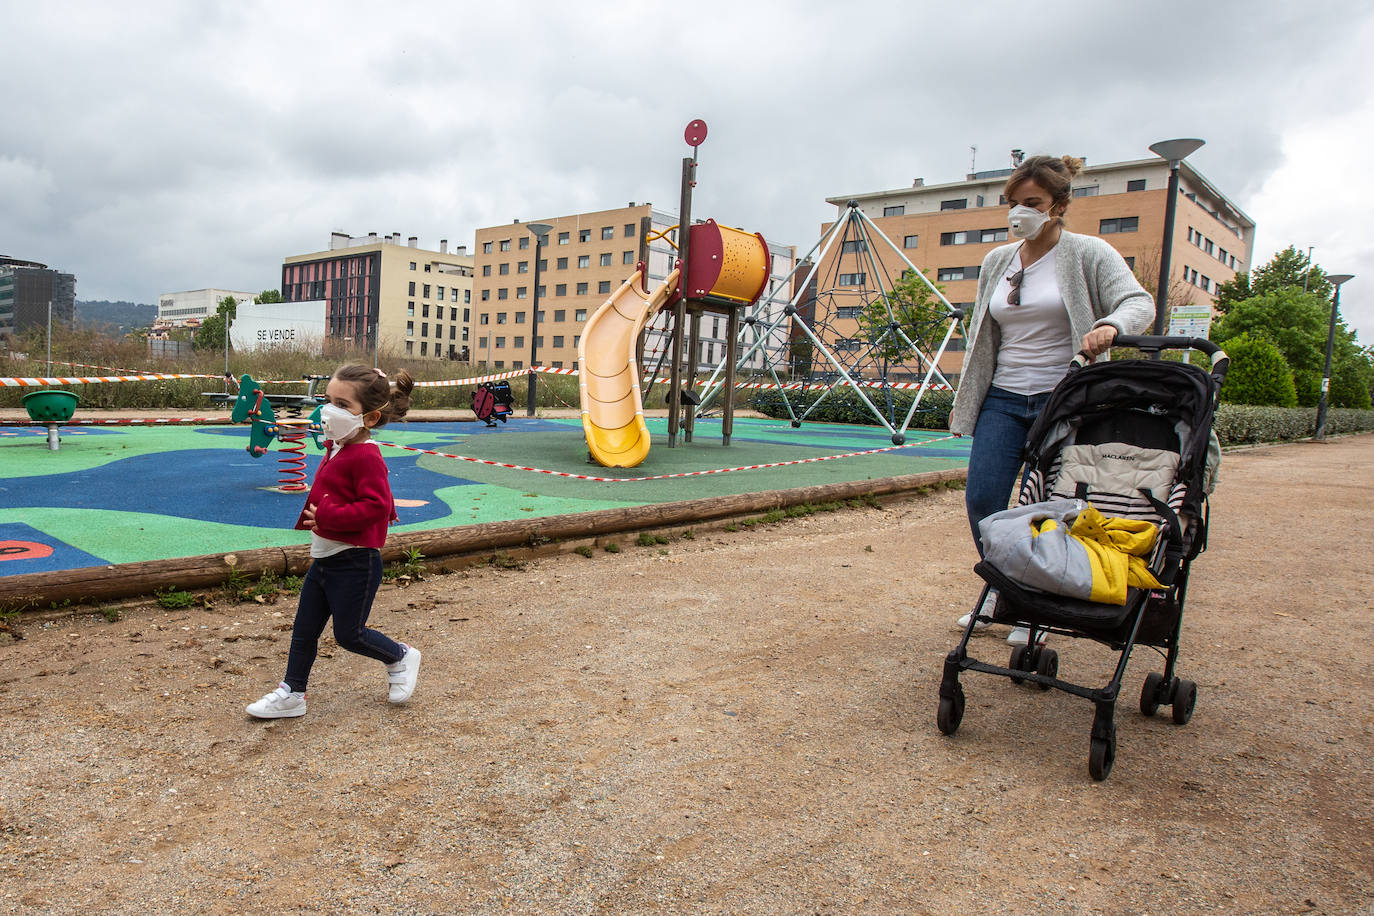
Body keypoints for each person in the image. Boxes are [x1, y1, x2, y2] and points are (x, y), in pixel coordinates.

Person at [949, 154, 1155, 646]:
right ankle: (1004, 592)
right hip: (1003, 395)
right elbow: (987, 329)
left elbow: (1138, 302)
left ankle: (1036, 607)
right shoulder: (997, 261)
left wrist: (1111, 325)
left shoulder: (1089, 252)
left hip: (1064, 397)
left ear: (1059, 205)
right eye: (1013, 204)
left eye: (1032, 203)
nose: (1020, 213)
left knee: (1049, 503)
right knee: (984, 499)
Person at [246, 365, 423, 718]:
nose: (329, 410)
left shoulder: (367, 455)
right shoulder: (338, 446)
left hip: (355, 563)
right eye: (328, 400)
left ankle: (400, 656)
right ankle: (293, 692)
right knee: (304, 630)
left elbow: (377, 507)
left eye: (342, 404)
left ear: (370, 417)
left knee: (349, 634)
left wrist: (327, 518)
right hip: (325, 558)